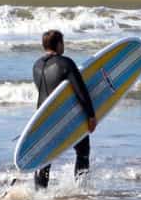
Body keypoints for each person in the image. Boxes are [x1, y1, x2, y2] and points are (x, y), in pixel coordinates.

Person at [32, 29, 96, 189]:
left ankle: (39, 194)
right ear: (59, 44)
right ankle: (82, 189)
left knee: (45, 159)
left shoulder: (36, 65)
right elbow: (80, 91)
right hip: (66, 117)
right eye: (63, 43)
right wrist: (91, 115)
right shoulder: (65, 63)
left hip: (42, 116)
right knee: (82, 151)